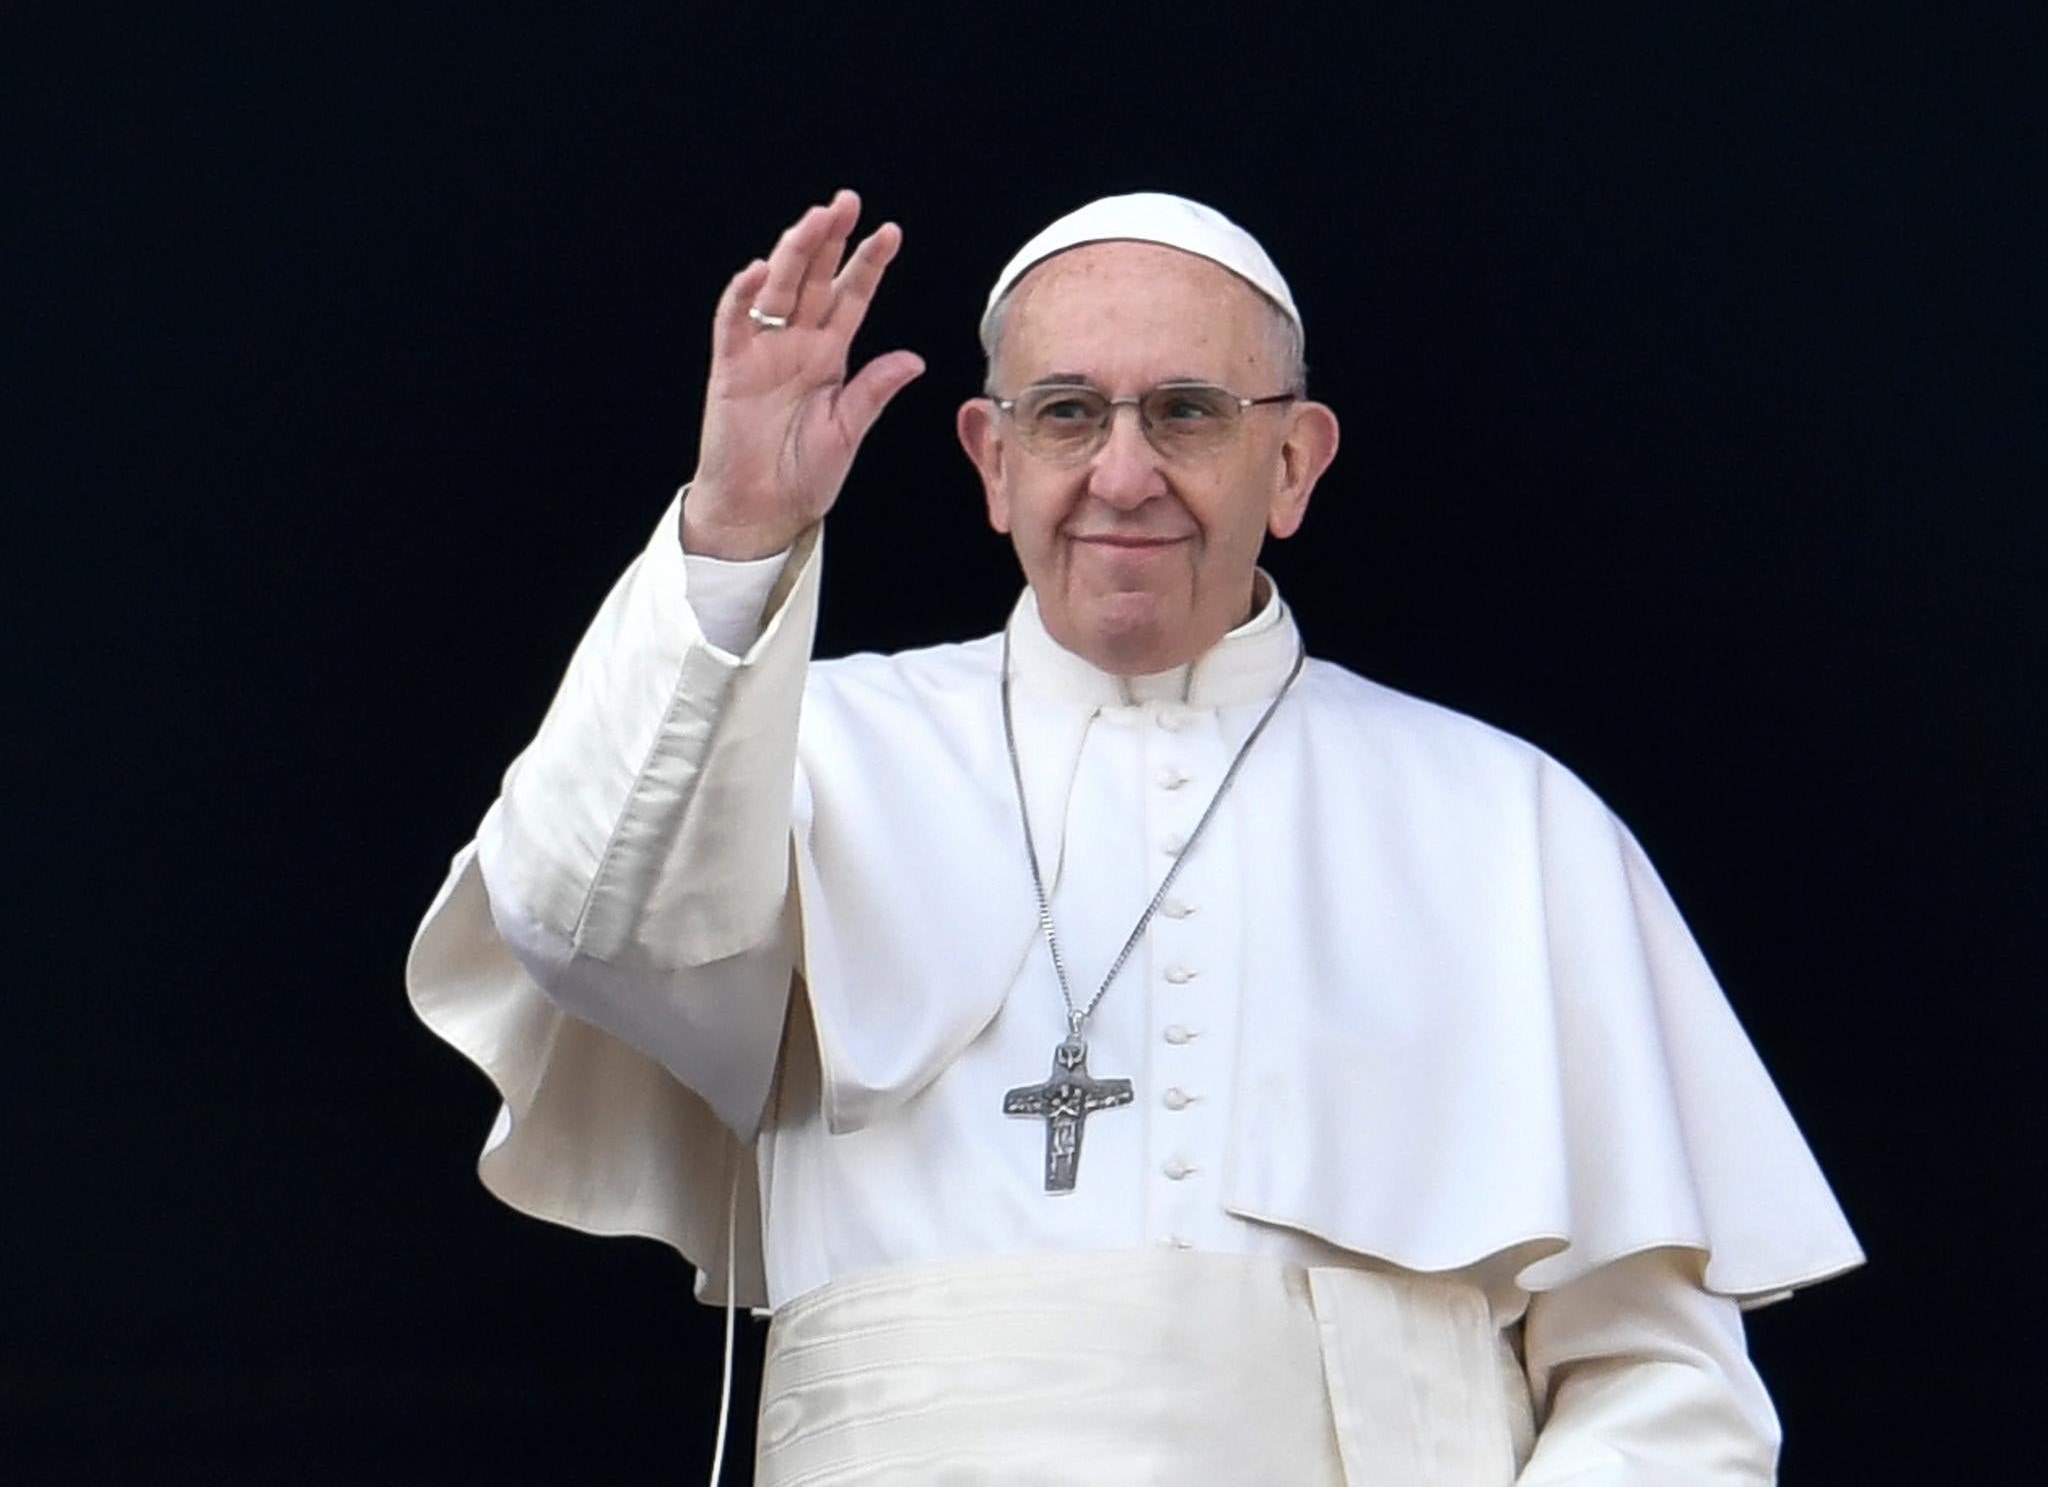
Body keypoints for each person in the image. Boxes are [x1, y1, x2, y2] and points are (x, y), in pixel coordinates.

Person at [407, 189, 1862, 1484]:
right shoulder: (800, 753)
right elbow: (578, 918)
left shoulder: (1507, 821)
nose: (1122, 473)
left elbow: (1666, 1387)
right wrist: (734, 529)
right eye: (1064, 413)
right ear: (988, 459)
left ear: (1293, 463)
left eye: (1186, 412)